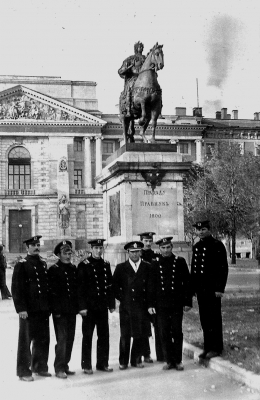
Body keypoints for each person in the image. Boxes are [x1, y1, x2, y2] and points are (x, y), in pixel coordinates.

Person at [148, 237, 192, 371]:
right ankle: (168, 360)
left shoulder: (179, 262)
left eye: (168, 247)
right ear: (159, 249)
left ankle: (178, 360)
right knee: (164, 332)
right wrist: (151, 305)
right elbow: (151, 286)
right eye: (163, 248)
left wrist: (187, 302)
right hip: (161, 305)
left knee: (177, 331)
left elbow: (187, 283)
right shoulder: (155, 264)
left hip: (176, 303)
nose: (166, 250)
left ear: (172, 247)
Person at [11, 235, 50, 382]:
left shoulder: (42, 263)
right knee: (25, 341)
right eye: (33, 245)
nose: (36, 247)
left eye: (38, 244)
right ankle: (23, 371)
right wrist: (21, 309)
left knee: (42, 339)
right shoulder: (21, 264)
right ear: (27, 248)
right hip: (28, 310)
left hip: (42, 309)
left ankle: (39, 367)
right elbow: (16, 288)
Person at [190, 220, 229, 362]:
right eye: (198, 230)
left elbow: (222, 269)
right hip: (201, 290)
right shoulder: (197, 246)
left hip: (213, 290)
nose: (200, 232)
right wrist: (193, 287)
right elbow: (194, 269)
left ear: (209, 230)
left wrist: (220, 288)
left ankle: (216, 348)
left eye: (204, 229)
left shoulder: (217, 245)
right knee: (204, 319)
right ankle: (207, 347)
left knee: (214, 318)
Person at [77, 239, 115, 375]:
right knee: (87, 337)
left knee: (104, 336)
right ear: (91, 249)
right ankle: (86, 365)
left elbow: (110, 286)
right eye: (96, 248)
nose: (99, 251)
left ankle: (102, 363)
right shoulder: (84, 265)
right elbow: (80, 289)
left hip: (102, 307)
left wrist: (111, 305)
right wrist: (82, 307)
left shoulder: (105, 264)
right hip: (89, 308)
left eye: (101, 248)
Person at [113, 241, 151, 370]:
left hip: (141, 306)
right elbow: (115, 287)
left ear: (141, 252)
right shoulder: (121, 267)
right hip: (126, 307)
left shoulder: (147, 267)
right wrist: (123, 298)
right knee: (125, 334)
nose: (135, 254)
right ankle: (123, 361)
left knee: (139, 334)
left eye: (137, 251)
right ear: (127, 252)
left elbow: (150, 288)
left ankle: (136, 359)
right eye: (132, 252)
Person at [48, 240, 78, 379]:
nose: (68, 255)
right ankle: (59, 367)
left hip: (71, 310)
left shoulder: (73, 269)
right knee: (62, 339)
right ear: (58, 255)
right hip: (59, 312)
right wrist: (56, 310)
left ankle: (65, 365)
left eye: (69, 252)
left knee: (70, 339)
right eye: (65, 253)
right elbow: (52, 293)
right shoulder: (53, 270)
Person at [139, 232, 164, 362]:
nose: (148, 243)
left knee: (158, 324)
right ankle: (146, 353)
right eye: (145, 241)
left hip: (154, 296)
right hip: (142, 296)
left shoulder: (156, 256)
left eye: (150, 241)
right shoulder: (137, 255)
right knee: (144, 326)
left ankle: (161, 354)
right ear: (141, 241)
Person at [118, 41, 146, 116]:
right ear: (136, 48)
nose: (141, 48)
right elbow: (120, 71)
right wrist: (130, 67)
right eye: (139, 47)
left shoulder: (146, 58)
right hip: (133, 78)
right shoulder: (130, 59)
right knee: (131, 86)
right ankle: (128, 108)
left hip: (143, 79)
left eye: (142, 47)